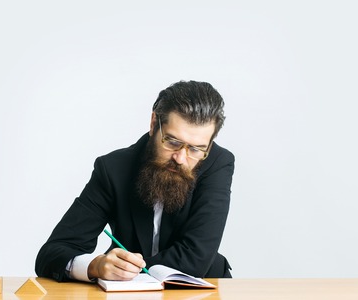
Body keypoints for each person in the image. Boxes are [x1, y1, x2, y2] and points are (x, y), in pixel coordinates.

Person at [35, 80, 235, 282]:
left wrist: (128, 273)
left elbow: (195, 259)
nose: (181, 158)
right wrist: (95, 266)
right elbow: (52, 254)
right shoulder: (113, 168)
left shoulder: (218, 163)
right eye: (173, 142)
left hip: (203, 289)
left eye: (196, 149)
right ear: (153, 123)